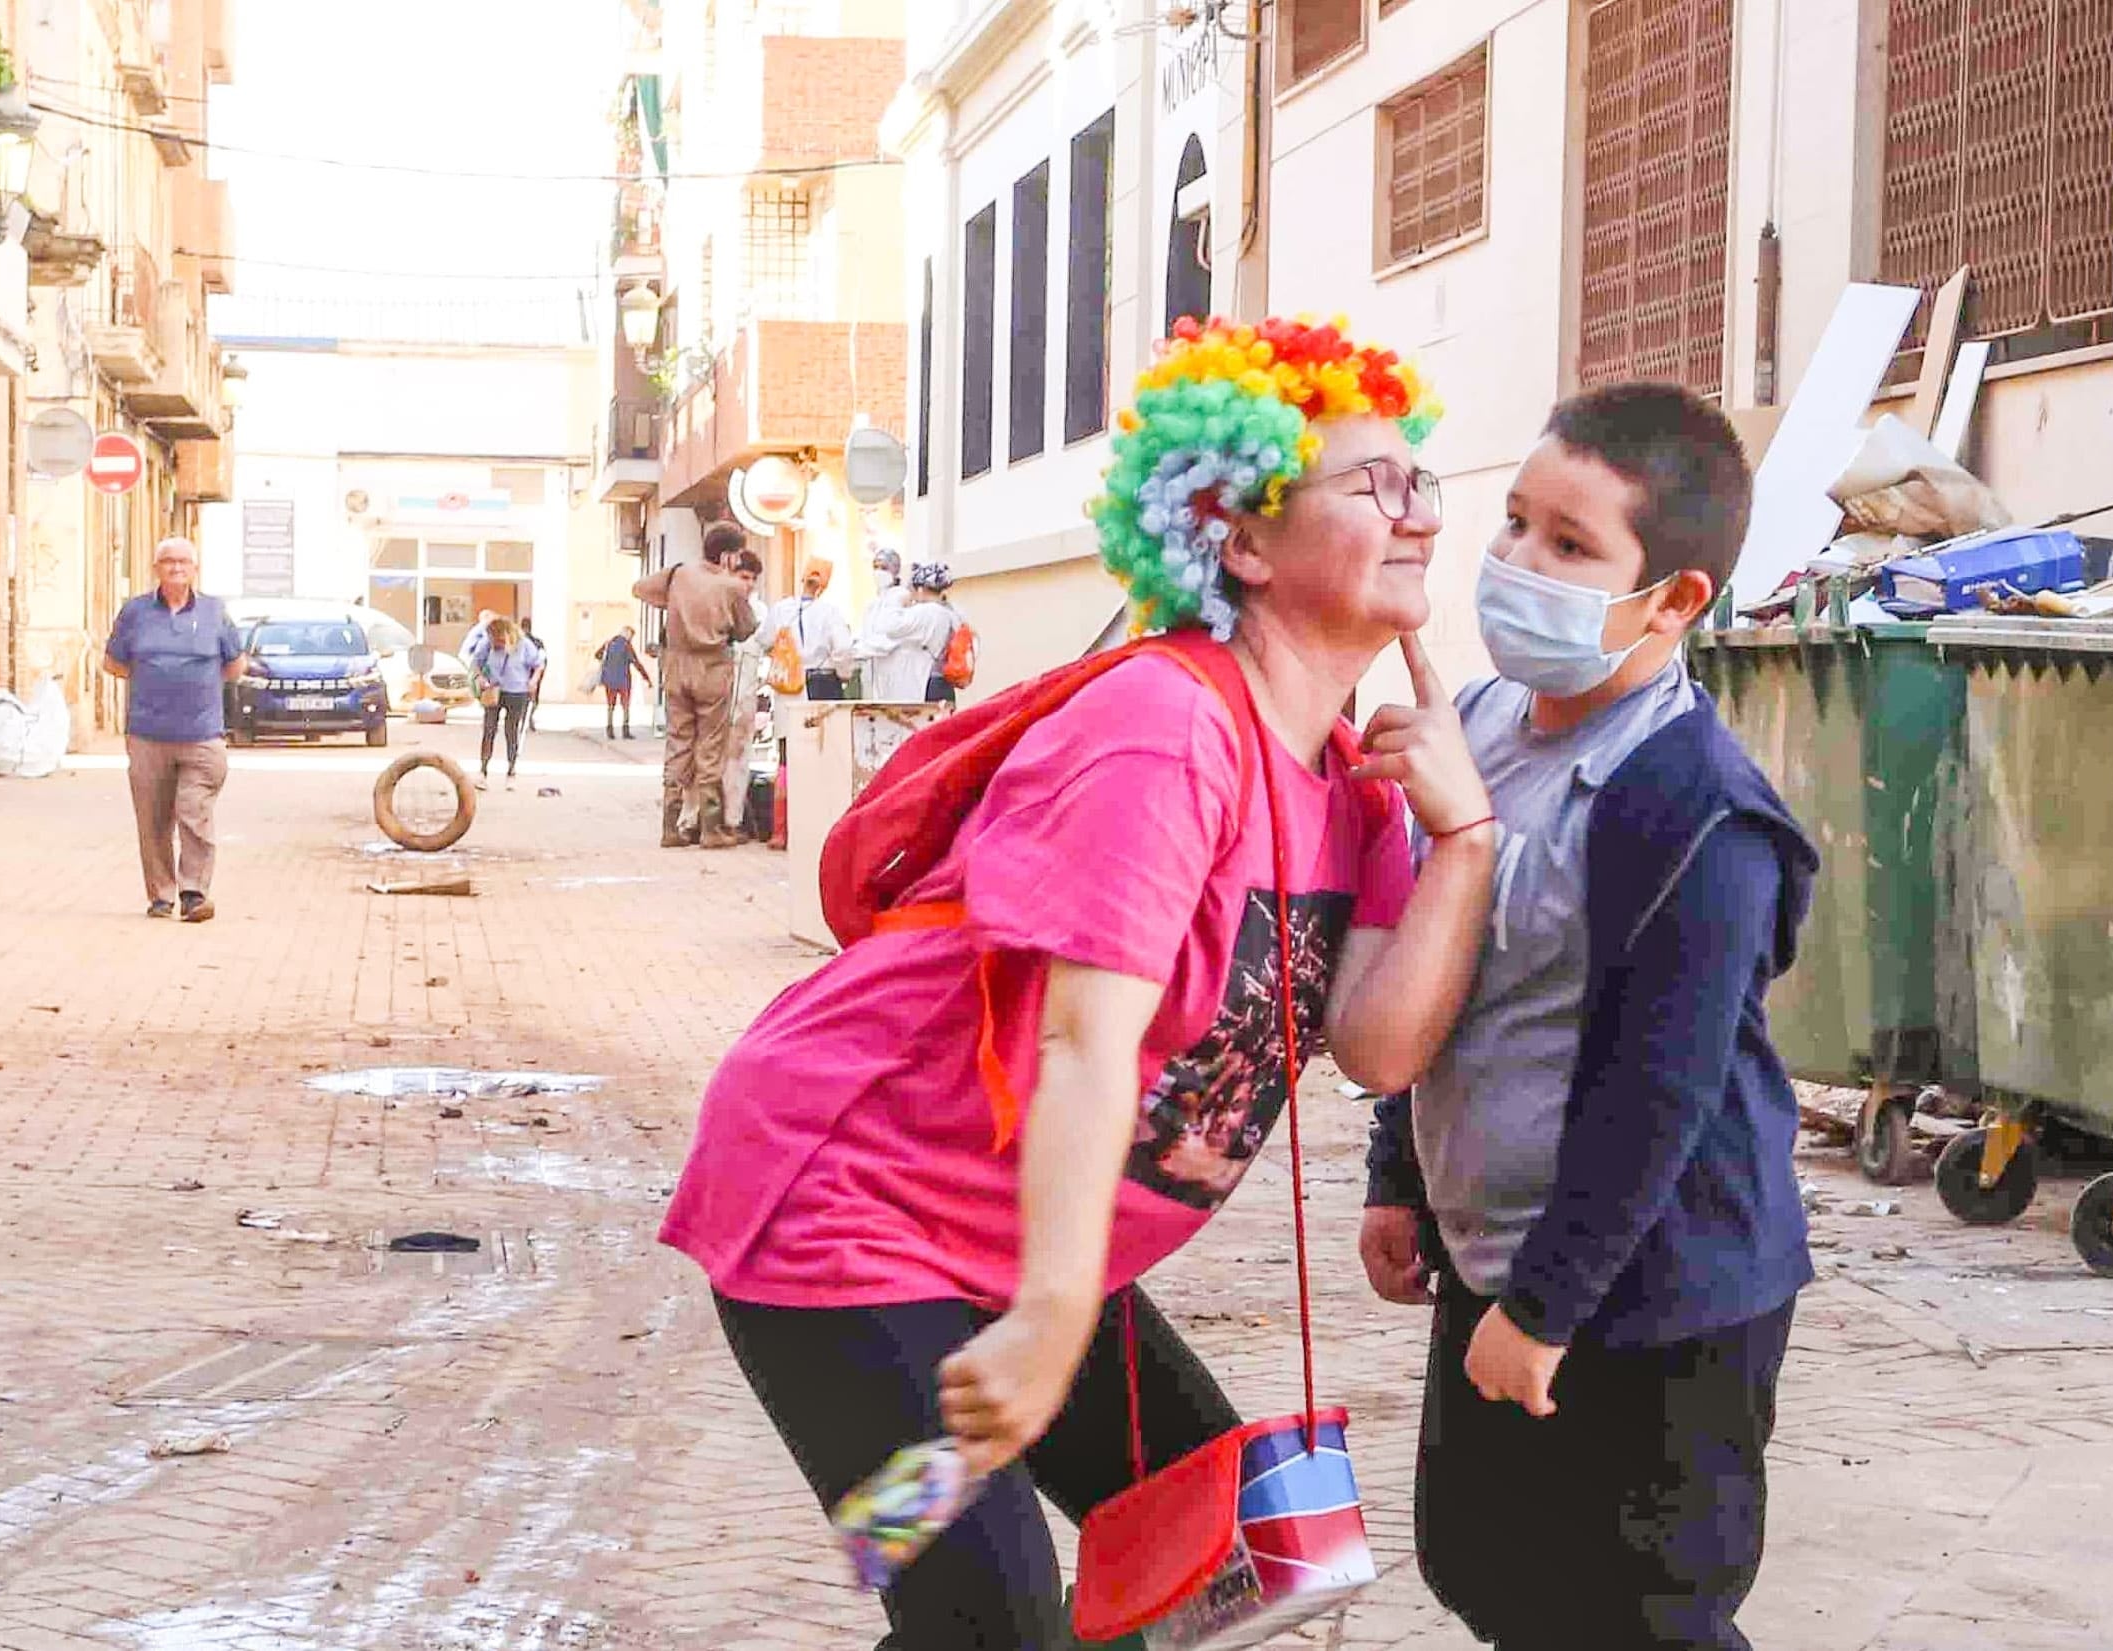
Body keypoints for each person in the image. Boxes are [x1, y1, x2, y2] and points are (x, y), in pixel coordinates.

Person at [659, 315, 1498, 1647]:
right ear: (1240, 538)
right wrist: (1052, 1313)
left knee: (1215, 1556)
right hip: (840, 1210)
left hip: (1019, 1239)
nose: (1413, 512)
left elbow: (1381, 1048)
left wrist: (1463, 837)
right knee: (980, 1611)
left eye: (1419, 482)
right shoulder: (1163, 727)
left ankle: (906, 1549)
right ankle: (902, 1547)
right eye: (1365, 483)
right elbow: (1078, 1041)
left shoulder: (1351, 776)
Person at [1355, 384, 1820, 1651]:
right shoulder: (1484, 729)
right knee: (1489, 1574)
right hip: (1495, 1260)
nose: (1515, 562)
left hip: (1654, 1299)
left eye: (1569, 545)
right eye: (1512, 522)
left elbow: (1653, 1095)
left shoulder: (1696, 812)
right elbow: (1442, 975)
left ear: (1672, 601)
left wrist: (1546, 1312)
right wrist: (1397, 1169)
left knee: (1639, 1613)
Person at [102, 536, 248, 923]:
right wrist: (156, 678)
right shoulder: (135, 612)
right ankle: (161, 896)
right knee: (152, 820)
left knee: (194, 810)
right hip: (148, 733)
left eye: (184, 562)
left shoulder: (216, 612)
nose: (176, 568)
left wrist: (197, 687)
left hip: (202, 735)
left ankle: (194, 894)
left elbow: (235, 664)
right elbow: (114, 663)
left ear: (195, 570)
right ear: (157, 569)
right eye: (168, 562)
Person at [633, 522, 760, 847]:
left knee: (678, 743)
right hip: (712, 669)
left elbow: (641, 588)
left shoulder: (679, 574)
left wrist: (675, 603)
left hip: (675, 667)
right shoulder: (731, 587)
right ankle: (711, 828)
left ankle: (670, 827)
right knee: (710, 747)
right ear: (729, 555)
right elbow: (747, 629)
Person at [859, 562, 961, 704]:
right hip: (944, 684)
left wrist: (897, 600)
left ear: (920, 589)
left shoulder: (927, 612)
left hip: (927, 685)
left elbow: (890, 626)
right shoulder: (952, 613)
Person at [756, 559, 854, 704]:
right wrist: (844, 673)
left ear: (803, 579)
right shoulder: (830, 612)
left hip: (787, 683)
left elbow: (764, 640)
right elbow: (843, 648)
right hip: (822, 683)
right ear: (825, 584)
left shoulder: (780, 609)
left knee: (789, 725)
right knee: (821, 725)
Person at [722, 549, 769, 837]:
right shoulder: (720, 604)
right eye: (743, 576)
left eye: (752, 578)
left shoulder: (760, 612)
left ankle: (732, 820)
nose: (748, 583)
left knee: (739, 757)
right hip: (718, 693)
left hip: (745, 695)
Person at [468, 616, 543, 789]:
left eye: (499, 640)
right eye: (494, 640)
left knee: (512, 730)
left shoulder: (523, 644)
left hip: (517, 691)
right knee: (489, 730)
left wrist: (533, 681)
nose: (496, 644)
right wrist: (480, 678)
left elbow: (538, 664)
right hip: (493, 690)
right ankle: (483, 771)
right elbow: (476, 663)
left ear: (507, 635)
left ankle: (511, 771)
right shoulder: (487, 643)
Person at [594, 625, 653, 740]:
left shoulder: (609, 643)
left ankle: (609, 729)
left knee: (611, 705)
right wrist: (647, 678)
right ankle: (625, 730)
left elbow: (597, 655)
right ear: (628, 634)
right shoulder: (627, 646)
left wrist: (607, 660)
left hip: (609, 679)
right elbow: (636, 663)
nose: (631, 638)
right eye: (631, 636)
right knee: (625, 705)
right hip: (623, 680)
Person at [519, 617, 548, 732]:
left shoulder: (517, 641)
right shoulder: (538, 642)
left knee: (521, 698)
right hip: (534, 674)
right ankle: (528, 717)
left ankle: (524, 718)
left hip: (521, 674)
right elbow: (543, 659)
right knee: (533, 698)